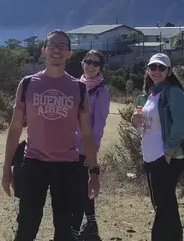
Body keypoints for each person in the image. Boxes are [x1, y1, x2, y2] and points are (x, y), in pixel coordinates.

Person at [2, 29, 101, 241]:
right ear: (44, 51)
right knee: (26, 227)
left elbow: (86, 133)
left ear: (69, 54)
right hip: (33, 163)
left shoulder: (79, 88)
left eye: (62, 46)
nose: (57, 50)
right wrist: (6, 168)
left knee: (65, 232)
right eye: (52, 45)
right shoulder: (27, 84)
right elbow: (15, 128)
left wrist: (94, 172)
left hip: (67, 166)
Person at [130, 53, 184, 241]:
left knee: (164, 207)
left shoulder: (173, 92)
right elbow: (145, 127)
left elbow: (181, 125)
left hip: (165, 158)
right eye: (153, 67)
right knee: (163, 206)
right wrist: (135, 121)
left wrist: (168, 152)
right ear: (148, 70)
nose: (157, 71)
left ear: (169, 71)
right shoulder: (149, 95)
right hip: (151, 158)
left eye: (161, 68)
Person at [71, 50, 111, 240]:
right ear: (82, 63)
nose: (91, 66)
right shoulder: (75, 86)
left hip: (85, 149)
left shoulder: (102, 92)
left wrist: (91, 151)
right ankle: (91, 223)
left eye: (96, 63)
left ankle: (74, 231)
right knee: (81, 186)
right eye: (88, 61)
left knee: (78, 190)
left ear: (101, 68)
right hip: (69, 147)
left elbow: (99, 125)